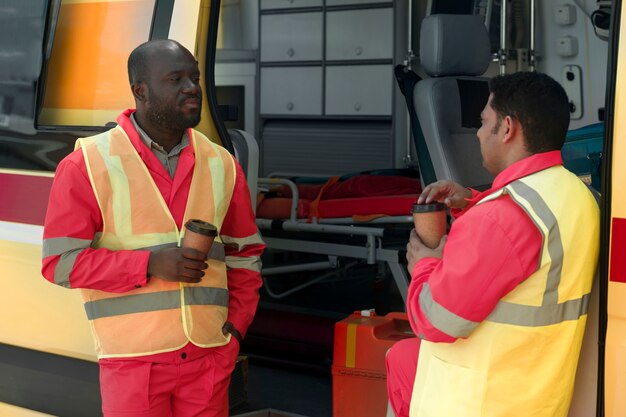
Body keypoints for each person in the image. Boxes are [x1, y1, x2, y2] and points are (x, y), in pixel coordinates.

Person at [41, 39, 265, 417]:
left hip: (209, 357)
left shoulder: (222, 163)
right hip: (132, 363)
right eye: (176, 78)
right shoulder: (87, 164)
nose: (192, 87)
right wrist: (148, 264)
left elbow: (246, 255)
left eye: (194, 77)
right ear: (140, 91)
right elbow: (59, 264)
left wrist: (235, 331)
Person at [403, 71, 599, 417]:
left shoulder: (499, 219)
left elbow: (434, 321)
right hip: (537, 395)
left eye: (483, 122)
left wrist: (424, 264)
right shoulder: (580, 194)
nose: (478, 133)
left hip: (479, 403)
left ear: (507, 128)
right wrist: (476, 203)